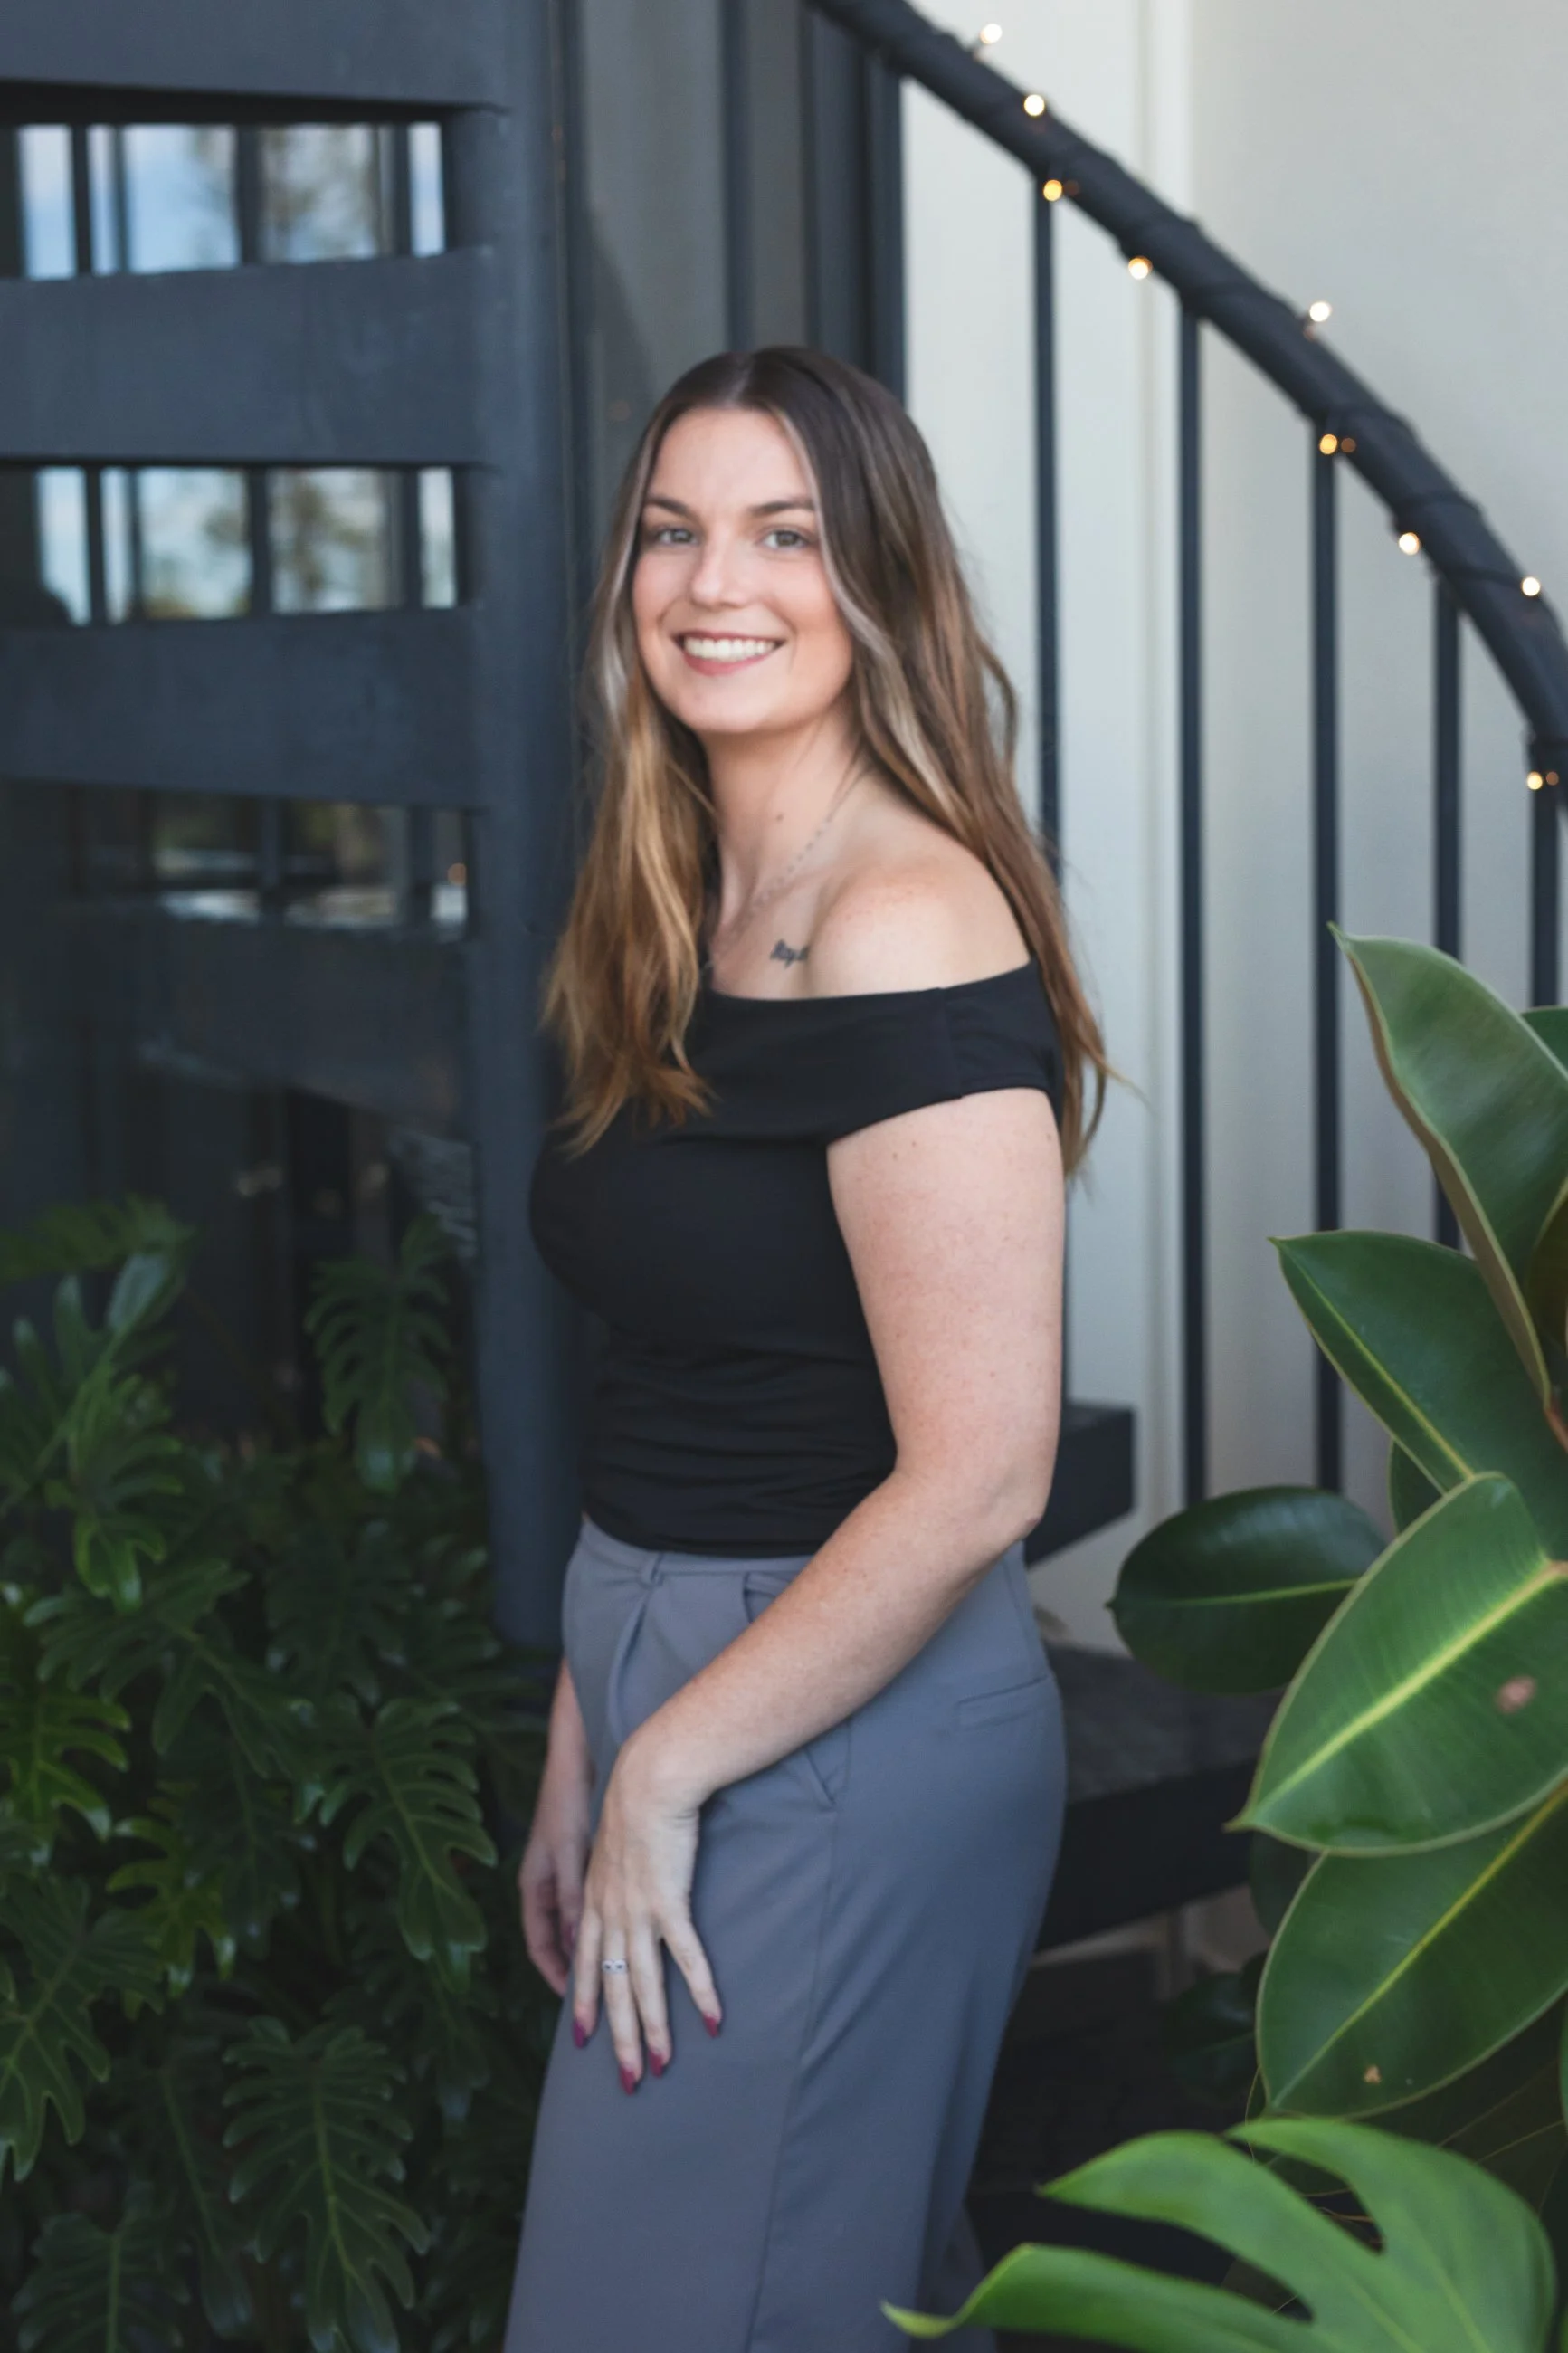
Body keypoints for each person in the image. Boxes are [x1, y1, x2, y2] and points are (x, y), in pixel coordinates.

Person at [507, 345, 1107, 2353]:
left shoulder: (898, 915)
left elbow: (983, 1470)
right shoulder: (671, 892)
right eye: (671, 531)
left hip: (833, 1730)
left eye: (782, 532)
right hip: (684, 1677)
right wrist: (590, 1725)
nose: (712, 581)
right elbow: (672, 1356)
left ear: (876, 581)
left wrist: (666, 1754)